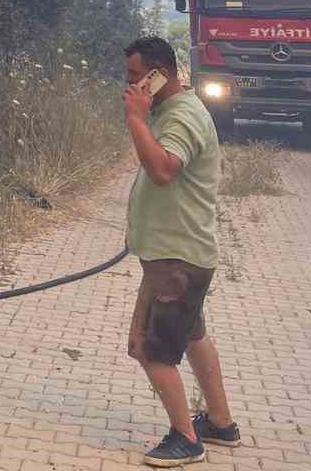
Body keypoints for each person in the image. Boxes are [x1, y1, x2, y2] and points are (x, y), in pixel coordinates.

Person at [122, 35, 240, 468]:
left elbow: (164, 170)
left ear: (159, 75)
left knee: (150, 348)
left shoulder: (182, 116)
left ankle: (186, 439)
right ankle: (221, 423)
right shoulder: (173, 110)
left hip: (176, 261)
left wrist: (136, 119)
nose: (130, 86)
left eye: (136, 77)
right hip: (182, 252)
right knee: (192, 335)